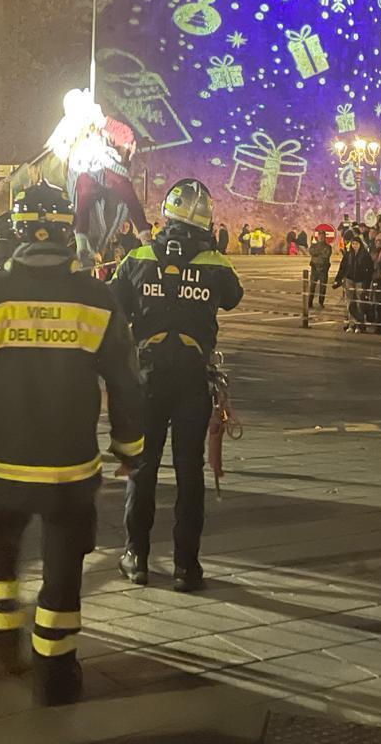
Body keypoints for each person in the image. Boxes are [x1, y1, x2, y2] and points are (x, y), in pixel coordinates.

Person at [0, 181, 144, 706]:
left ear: (15, 231)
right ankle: (55, 675)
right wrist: (130, 448)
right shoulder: (96, 299)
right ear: (65, 233)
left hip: (3, 463)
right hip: (70, 468)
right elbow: (126, 381)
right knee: (63, 569)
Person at [110, 178, 243, 593]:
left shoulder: (138, 257)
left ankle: (137, 557)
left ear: (167, 212)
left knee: (142, 467)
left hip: (147, 376)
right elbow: (233, 297)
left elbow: (115, 304)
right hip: (192, 377)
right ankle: (187, 566)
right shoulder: (215, 262)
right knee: (189, 471)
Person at [306, 230, 333, 310]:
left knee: (323, 287)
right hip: (314, 269)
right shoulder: (313, 246)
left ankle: (321, 303)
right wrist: (320, 252)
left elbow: (326, 255)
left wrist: (317, 253)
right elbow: (312, 252)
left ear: (325, 237)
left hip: (323, 269)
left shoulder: (328, 247)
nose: (321, 237)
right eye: (320, 235)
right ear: (318, 237)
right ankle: (309, 303)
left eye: (322, 236)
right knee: (312, 287)